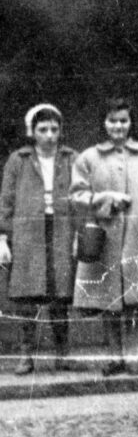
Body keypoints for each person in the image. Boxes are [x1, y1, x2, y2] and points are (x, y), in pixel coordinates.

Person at [70, 97, 138, 377]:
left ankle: (132, 354)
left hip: (137, 237)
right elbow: (77, 196)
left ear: (131, 123)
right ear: (104, 123)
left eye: (123, 120)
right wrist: (105, 199)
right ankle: (114, 356)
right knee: (109, 301)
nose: (118, 126)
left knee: (134, 301)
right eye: (112, 121)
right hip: (104, 239)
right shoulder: (88, 158)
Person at [0, 103, 84, 375]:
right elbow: (7, 201)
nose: (49, 135)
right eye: (43, 129)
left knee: (60, 295)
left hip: (61, 229)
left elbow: (82, 198)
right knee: (28, 296)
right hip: (28, 233)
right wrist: (2, 238)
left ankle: (63, 354)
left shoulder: (72, 158)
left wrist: (78, 234)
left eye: (54, 129)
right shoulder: (19, 159)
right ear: (32, 132)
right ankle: (26, 356)